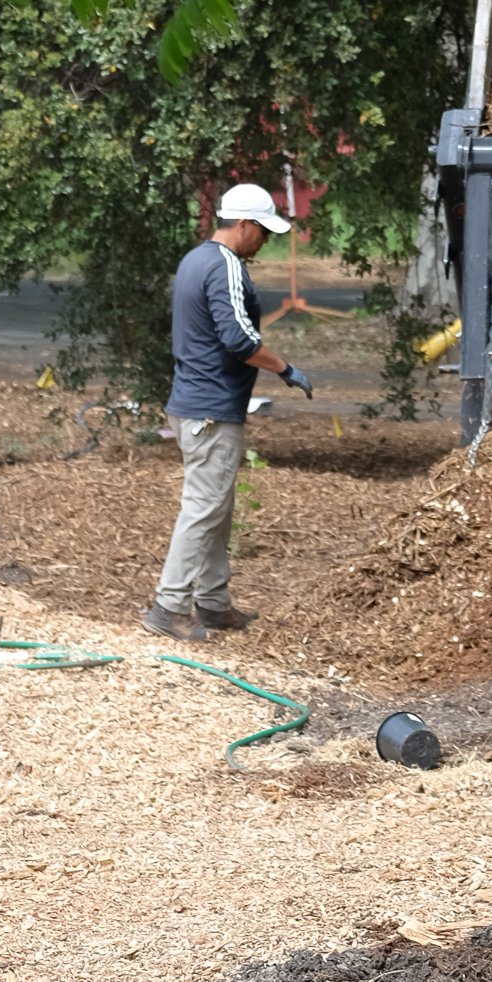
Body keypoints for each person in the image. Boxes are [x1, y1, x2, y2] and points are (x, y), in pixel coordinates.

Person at [145, 183, 315, 640]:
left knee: (216, 507)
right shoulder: (225, 266)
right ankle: (169, 607)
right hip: (211, 409)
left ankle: (214, 604)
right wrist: (285, 369)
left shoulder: (194, 260)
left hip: (192, 404)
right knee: (203, 510)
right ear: (243, 224)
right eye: (263, 231)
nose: (265, 241)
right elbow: (238, 340)